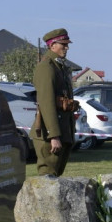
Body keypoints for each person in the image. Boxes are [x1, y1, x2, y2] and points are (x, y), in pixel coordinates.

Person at [32, 28, 77, 177]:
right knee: (47, 179)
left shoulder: (60, 67)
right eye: (63, 44)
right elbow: (47, 103)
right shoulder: (46, 67)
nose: (66, 47)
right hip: (49, 134)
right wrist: (54, 136)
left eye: (66, 44)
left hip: (63, 130)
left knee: (55, 177)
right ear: (52, 45)